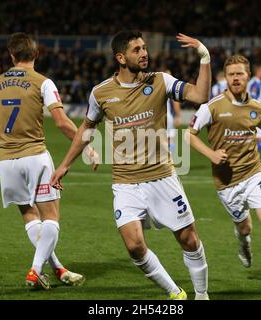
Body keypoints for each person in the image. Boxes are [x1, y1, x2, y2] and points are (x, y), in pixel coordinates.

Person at [50, 30, 211, 300]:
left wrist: (204, 57)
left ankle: (202, 294)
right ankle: (175, 293)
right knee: (135, 246)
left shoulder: (161, 81)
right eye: (137, 49)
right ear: (120, 57)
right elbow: (86, 129)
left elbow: (200, 96)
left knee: (188, 240)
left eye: (145, 48)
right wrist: (65, 164)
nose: (144, 53)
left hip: (162, 177)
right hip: (125, 183)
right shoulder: (101, 93)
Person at [0, 32, 96, 289]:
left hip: (4, 160)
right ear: (36, 54)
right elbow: (62, 122)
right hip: (35, 157)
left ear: (11, 56)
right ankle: (35, 271)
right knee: (51, 217)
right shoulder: (43, 82)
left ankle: (57, 268)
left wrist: (8, 142)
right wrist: (87, 147)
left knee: (29, 215)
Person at [187, 55, 261, 294]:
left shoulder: (257, 109)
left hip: (254, 173)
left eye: (240, 74)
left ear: (248, 76)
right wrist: (211, 154)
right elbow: (190, 134)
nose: (235, 78)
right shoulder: (212, 107)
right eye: (231, 74)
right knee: (245, 227)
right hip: (226, 182)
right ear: (226, 78)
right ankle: (244, 242)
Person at [247, 64, 261, 151]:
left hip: (253, 112)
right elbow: (253, 99)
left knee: (257, 140)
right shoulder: (255, 84)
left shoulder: (255, 82)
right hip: (253, 113)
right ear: (259, 72)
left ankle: (247, 161)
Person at [165, 70, 182, 152]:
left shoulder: (157, 87)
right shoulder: (171, 87)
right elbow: (176, 102)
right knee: (169, 139)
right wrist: (178, 116)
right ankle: (170, 160)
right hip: (168, 117)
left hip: (159, 117)